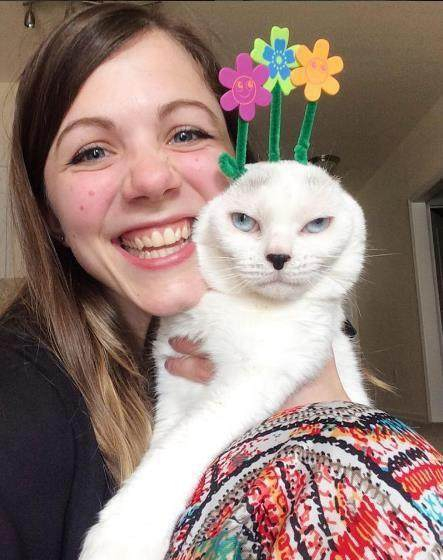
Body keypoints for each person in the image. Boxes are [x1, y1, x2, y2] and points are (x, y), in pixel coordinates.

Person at [0, 3, 440, 560]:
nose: (151, 179)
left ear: (242, 170)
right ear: (49, 214)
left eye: (186, 133)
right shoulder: (21, 398)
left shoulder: (305, 336)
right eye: (92, 151)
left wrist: (322, 411)